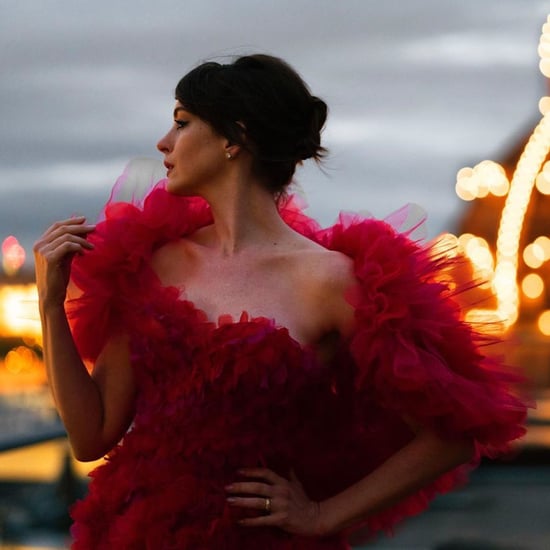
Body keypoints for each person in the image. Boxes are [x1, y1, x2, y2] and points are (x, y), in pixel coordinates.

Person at [33, 54, 527, 549]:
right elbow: (90, 435)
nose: (163, 142)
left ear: (235, 138)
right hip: (132, 534)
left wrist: (322, 515)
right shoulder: (149, 262)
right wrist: (51, 305)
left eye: (182, 123)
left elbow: (449, 437)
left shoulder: (332, 282)